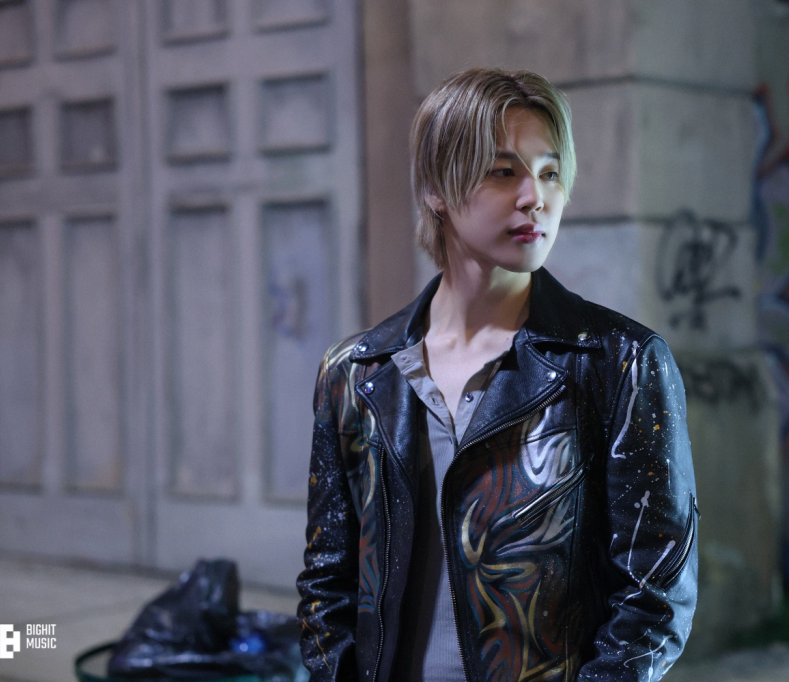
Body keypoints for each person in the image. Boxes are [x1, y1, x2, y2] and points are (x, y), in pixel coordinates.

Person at [297, 67, 697, 682]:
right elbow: (327, 584)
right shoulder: (357, 374)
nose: (535, 197)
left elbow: (654, 599)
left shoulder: (618, 362)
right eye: (503, 172)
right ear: (437, 189)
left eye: (550, 173)